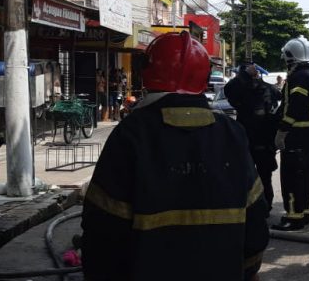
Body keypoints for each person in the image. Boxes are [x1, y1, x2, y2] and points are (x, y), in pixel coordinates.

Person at [80, 32, 269, 281]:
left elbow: (102, 229)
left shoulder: (131, 134)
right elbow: (255, 220)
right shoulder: (231, 134)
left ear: (148, 73)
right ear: (202, 78)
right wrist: (245, 271)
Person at [272, 38, 309, 231]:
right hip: (307, 133)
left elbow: (296, 106)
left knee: (292, 176)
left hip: (297, 133)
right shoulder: (308, 74)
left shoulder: (299, 77)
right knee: (303, 175)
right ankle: (303, 213)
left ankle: (294, 217)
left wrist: (282, 129)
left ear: (291, 57)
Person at [224, 62, 283, 215]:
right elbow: (228, 90)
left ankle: (264, 207)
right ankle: (255, 208)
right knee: (247, 176)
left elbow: (281, 99)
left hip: (261, 143)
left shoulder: (266, 89)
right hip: (249, 143)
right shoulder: (241, 90)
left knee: (263, 177)